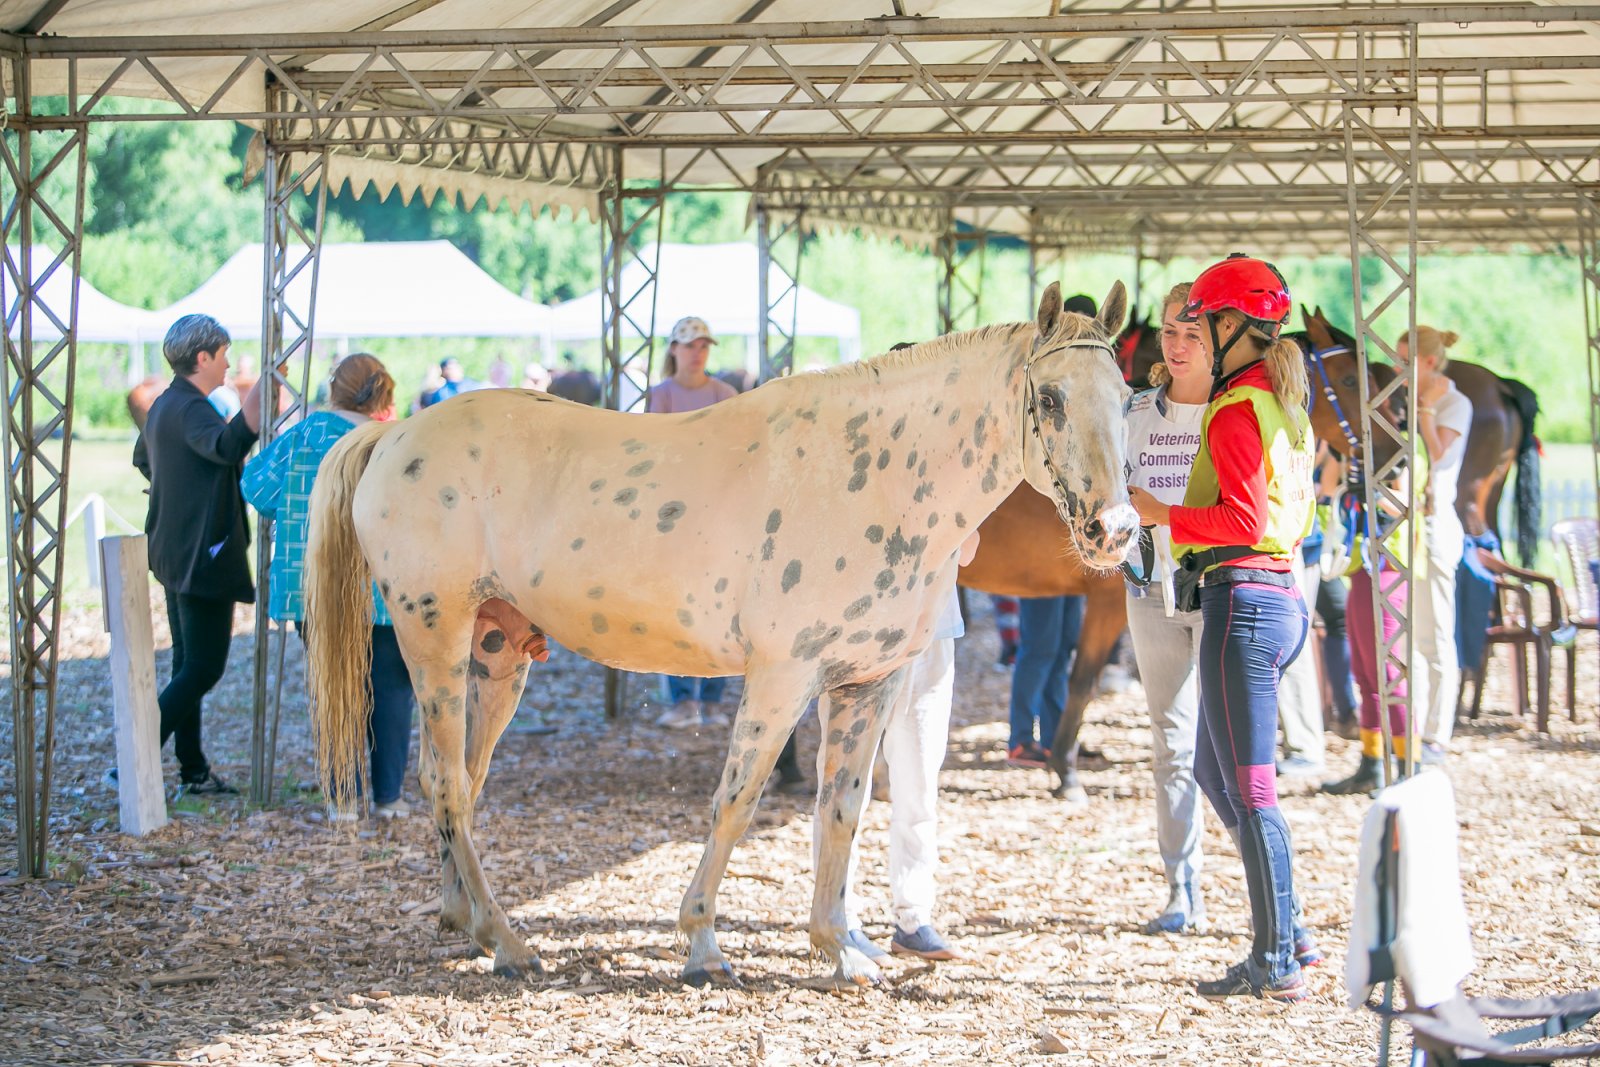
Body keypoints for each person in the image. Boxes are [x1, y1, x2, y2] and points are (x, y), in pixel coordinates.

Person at [1128, 255, 1321, 1002]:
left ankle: (1276, 959)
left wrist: (1161, 513)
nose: (1196, 337)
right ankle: (1288, 931)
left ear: (1233, 326)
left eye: (1204, 323)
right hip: (1271, 595)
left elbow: (1240, 519)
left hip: (1243, 600)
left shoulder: (1239, 408)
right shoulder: (1280, 401)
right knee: (1216, 773)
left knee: (1253, 789)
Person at [241, 354, 416, 819]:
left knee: (336, 687)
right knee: (391, 689)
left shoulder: (303, 435)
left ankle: (343, 800)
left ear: (334, 388)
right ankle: (389, 798)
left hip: (313, 588)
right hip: (383, 589)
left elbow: (255, 488)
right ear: (383, 393)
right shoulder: (394, 442)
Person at [132, 313, 271, 796]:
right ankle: (134, 757)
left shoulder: (166, 404)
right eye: (224, 355)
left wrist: (178, 488)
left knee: (185, 663)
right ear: (203, 356)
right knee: (204, 666)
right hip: (200, 555)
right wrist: (260, 398)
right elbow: (227, 446)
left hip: (174, 550)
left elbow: (143, 459)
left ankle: (192, 770)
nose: (228, 364)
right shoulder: (191, 408)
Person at [832, 531, 981, 962]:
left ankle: (914, 918)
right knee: (844, 782)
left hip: (933, 631)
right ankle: (838, 916)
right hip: (859, 630)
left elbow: (968, 551)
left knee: (919, 782)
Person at [1122, 282, 1212, 934]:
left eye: (1193, 334)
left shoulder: (1233, 410)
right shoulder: (1133, 411)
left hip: (1220, 588)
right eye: (1170, 332)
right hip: (1149, 589)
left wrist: (1162, 511)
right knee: (1171, 743)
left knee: (1230, 751)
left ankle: (1271, 897)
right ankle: (1183, 889)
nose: (1178, 345)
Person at [1004, 293, 1096, 768]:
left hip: (1067, 542)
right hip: (1040, 546)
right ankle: (1021, 735)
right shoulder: (1044, 393)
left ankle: (1059, 733)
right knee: (1040, 647)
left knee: (1060, 648)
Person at [648, 316, 739, 728]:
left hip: (720, 512)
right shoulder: (661, 395)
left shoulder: (725, 394)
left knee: (722, 605)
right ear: (674, 349)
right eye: (690, 345)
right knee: (678, 606)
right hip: (677, 515)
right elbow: (657, 452)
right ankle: (684, 700)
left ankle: (713, 699)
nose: (697, 353)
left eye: (703, 345)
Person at [1396, 326, 1473, 764]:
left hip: (1436, 524)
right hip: (1406, 528)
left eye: (1403, 361)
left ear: (1427, 362)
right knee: (1410, 634)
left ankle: (1437, 733)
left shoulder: (1455, 403)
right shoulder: (1401, 399)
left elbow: (1441, 454)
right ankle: (1412, 724)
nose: (1397, 370)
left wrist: (1425, 411)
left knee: (1436, 634)